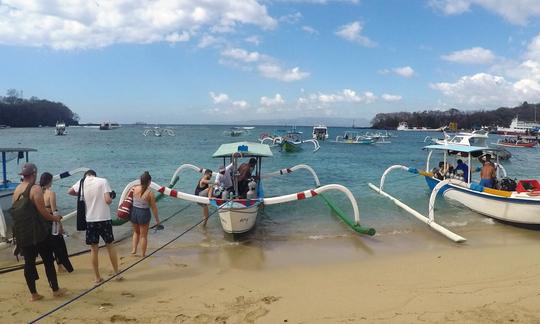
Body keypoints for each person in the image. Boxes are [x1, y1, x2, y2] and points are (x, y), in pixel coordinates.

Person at [11, 163, 66, 301]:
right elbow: (43, 213)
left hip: (22, 233)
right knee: (48, 260)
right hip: (38, 233)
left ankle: (34, 294)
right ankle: (55, 290)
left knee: (29, 262)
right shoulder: (35, 189)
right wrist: (56, 218)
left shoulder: (17, 189)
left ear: (23, 175)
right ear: (34, 174)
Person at [68, 170, 120, 284]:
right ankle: (117, 273)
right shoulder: (103, 181)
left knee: (93, 249)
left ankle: (97, 277)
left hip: (90, 220)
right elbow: (108, 200)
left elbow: (70, 191)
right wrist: (111, 197)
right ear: (95, 175)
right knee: (110, 245)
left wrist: (82, 193)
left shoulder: (81, 182)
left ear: (86, 175)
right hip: (104, 219)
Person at [40, 172, 73, 273]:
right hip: (51, 221)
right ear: (49, 181)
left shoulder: (38, 192)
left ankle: (56, 268)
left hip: (41, 221)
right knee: (59, 245)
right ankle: (61, 266)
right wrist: (60, 226)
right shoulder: (51, 193)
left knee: (48, 247)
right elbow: (55, 211)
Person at [130, 171, 160, 257]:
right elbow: (154, 208)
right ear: (149, 182)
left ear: (140, 180)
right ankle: (143, 254)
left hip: (134, 212)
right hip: (143, 213)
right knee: (143, 236)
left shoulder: (135, 188)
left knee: (136, 232)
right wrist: (157, 221)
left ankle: (134, 250)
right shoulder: (150, 193)